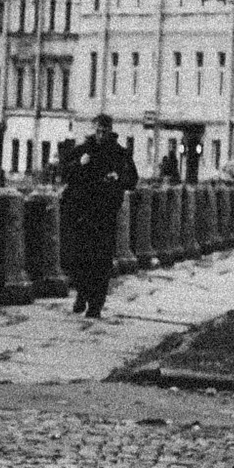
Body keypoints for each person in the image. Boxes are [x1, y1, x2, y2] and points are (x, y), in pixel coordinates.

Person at [57, 111, 139, 319]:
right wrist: (80, 164)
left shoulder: (119, 153)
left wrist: (118, 177)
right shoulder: (83, 150)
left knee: (101, 261)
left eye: (105, 131)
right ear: (94, 130)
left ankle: (96, 304)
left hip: (105, 214)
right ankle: (82, 295)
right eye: (98, 131)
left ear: (110, 131)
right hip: (81, 213)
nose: (101, 135)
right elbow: (62, 172)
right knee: (79, 258)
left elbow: (132, 178)